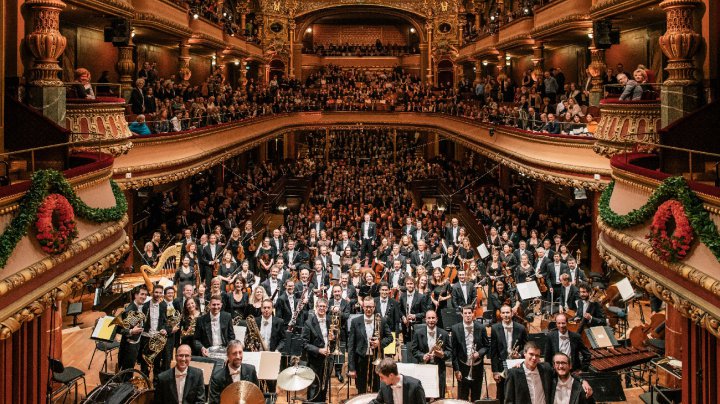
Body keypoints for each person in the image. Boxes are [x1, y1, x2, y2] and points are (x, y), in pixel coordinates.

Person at [348, 296, 393, 393]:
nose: (368, 309)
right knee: (361, 390)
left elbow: (390, 338)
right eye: (366, 307)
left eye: (371, 307)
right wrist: (351, 368)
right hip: (360, 360)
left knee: (376, 389)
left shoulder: (381, 320)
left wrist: (379, 343)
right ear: (363, 307)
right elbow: (351, 346)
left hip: (377, 359)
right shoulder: (355, 322)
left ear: (374, 306)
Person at [490, 304, 528, 402]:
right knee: (501, 393)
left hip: (517, 364)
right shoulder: (494, 328)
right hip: (502, 365)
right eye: (503, 313)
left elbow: (526, 348)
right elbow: (493, 352)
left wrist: (519, 354)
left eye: (508, 312)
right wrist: (495, 371)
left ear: (512, 314)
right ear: (500, 315)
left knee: (517, 392)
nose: (506, 315)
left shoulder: (521, 328)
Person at [411, 310, 451, 398]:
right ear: (425, 319)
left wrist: (442, 354)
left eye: (433, 318)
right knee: (424, 395)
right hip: (424, 368)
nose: (431, 320)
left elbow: (449, 351)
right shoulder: (418, 333)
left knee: (440, 396)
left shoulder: (444, 334)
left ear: (437, 319)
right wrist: (422, 356)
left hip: (439, 368)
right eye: (429, 318)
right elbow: (414, 350)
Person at [451, 306, 488, 401]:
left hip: (477, 367)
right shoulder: (455, 329)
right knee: (462, 397)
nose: (467, 315)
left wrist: (478, 354)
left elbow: (486, 346)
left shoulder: (481, 327)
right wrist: (457, 370)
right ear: (462, 314)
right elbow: (454, 352)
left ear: (473, 314)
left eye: (469, 313)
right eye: (465, 313)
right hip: (463, 366)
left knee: (476, 396)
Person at [301, 298, 334, 401]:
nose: (322, 308)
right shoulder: (309, 323)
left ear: (327, 308)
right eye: (320, 306)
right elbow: (304, 343)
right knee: (314, 385)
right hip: (315, 359)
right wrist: (319, 350)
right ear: (316, 307)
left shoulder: (330, 320)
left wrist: (333, 338)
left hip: (328, 358)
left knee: (325, 385)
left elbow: (337, 338)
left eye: (324, 306)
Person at [118, 285, 149, 373]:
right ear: (135, 295)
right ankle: (126, 385)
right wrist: (131, 331)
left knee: (133, 365)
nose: (144, 297)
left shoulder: (141, 307)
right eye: (142, 294)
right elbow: (119, 329)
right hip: (129, 344)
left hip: (138, 341)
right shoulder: (129, 310)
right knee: (128, 368)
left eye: (145, 295)